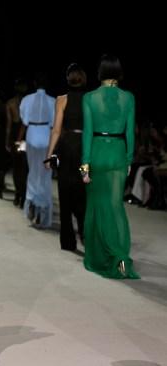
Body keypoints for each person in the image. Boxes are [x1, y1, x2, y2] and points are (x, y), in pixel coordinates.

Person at [81, 54, 139, 279]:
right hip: (117, 154)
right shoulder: (129, 98)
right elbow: (130, 132)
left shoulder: (90, 97)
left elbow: (86, 133)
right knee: (116, 208)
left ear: (100, 72)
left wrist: (83, 167)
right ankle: (121, 258)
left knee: (96, 206)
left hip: (96, 152)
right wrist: (129, 160)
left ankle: (100, 257)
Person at [45, 63, 87, 250]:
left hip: (66, 146)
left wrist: (49, 154)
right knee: (82, 192)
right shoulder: (90, 100)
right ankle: (85, 234)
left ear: (68, 80)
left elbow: (56, 130)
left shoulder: (61, 99)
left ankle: (68, 241)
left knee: (65, 191)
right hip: (84, 147)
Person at [20, 72, 55, 228]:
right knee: (45, 175)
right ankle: (42, 210)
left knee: (33, 172)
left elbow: (24, 119)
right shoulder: (52, 101)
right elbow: (55, 122)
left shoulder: (27, 99)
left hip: (33, 134)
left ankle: (33, 207)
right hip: (47, 135)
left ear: (35, 84)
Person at [6, 78, 29, 208]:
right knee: (24, 167)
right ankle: (23, 196)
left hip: (15, 135)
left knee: (16, 167)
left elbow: (9, 125)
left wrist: (7, 141)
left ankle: (18, 195)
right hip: (25, 136)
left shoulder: (10, 103)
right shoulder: (29, 102)